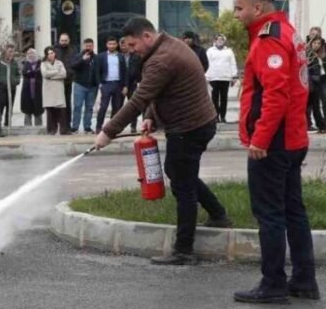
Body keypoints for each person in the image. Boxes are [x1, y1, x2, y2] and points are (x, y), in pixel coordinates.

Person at [94, 18, 230, 265]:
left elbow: (138, 99)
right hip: (194, 124)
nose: (133, 50)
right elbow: (158, 94)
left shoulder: (162, 59)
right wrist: (150, 118)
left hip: (189, 128)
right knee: (178, 172)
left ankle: (184, 250)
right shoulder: (167, 46)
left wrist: (108, 132)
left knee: (182, 185)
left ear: (147, 36)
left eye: (134, 44)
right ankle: (218, 214)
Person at [231, 0, 317, 304]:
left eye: (240, 8)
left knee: (269, 213)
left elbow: (275, 95)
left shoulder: (268, 38)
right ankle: (304, 281)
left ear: (258, 7)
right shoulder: (288, 31)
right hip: (293, 137)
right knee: (294, 210)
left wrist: (259, 138)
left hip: (274, 141)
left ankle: (273, 284)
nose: (236, 14)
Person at [93, 37, 127, 134]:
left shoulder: (120, 56)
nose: (111, 46)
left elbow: (125, 72)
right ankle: (98, 127)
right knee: (103, 107)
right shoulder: (101, 56)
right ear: (106, 45)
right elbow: (97, 71)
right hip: (106, 84)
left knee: (117, 107)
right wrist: (100, 83)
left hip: (118, 84)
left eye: (113, 44)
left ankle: (112, 127)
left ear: (116, 45)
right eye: (110, 44)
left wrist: (125, 85)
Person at [205, 34, 239, 124]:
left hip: (225, 78)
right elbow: (206, 64)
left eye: (222, 40)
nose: (220, 41)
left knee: (224, 98)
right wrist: (206, 76)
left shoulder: (229, 51)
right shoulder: (210, 51)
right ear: (215, 41)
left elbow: (233, 63)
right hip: (213, 77)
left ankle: (223, 117)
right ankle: (216, 117)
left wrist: (234, 76)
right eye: (218, 40)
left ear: (224, 41)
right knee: (214, 98)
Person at [306, 36, 326, 134]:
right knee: (309, 106)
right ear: (311, 43)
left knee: (315, 105)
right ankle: (314, 124)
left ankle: (321, 125)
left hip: (317, 82)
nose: (316, 45)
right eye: (315, 43)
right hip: (309, 82)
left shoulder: (321, 54)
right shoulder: (307, 54)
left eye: (319, 43)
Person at [69, 38, 98, 135]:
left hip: (92, 86)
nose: (88, 48)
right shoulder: (78, 56)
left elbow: (99, 71)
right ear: (83, 46)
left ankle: (87, 127)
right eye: (87, 46)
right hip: (79, 85)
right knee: (77, 106)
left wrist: (98, 83)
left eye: (90, 46)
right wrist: (82, 60)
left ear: (93, 46)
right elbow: (73, 66)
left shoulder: (96, 58)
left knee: (89, 107)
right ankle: (75, 127)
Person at [41, 47, 69, 135]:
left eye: (52, 53)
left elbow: (64, 74)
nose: (51, 55)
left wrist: (51, 76)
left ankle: (63, 130)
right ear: (46, 55)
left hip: (58, 90)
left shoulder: (60, 63)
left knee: (61, 111)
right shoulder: (43, 63)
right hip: (48, 90)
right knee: (50, 111)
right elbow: (45, 74)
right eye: (49, 53)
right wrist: (56, 71)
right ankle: (51, 130)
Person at [53, 34, 77, 131]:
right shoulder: (54, 50)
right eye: (62, 40)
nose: (64, 42)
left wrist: (71, 73)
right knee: (56, 104)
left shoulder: (73, 50)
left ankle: (67, 124)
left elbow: (74, 64)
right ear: (59, 40)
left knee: (67, 104)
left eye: (65, 40)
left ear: (69, 40)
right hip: (57, 82)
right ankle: (56, 125)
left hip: (68, 81)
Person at [122, 40, 143, 134]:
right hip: (120, 84)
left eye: (126, 45)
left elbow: (140, 69)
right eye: (122, 45)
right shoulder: (119, 56)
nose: (125, 47)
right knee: (117, 106)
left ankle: (133, 126)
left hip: (133, 84)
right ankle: (116, 127)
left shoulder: (136, 56)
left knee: (133, 106)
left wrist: (138, 80)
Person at [20, 48, 44, 126]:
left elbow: (39, 73)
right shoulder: (25, 64)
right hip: (27, 90)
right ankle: (27, 127)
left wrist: (30, 73)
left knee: (38, 109)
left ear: (36, 54)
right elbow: (25, 73)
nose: (30, 55)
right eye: (28, 53)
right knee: (27, 110)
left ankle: (39, 128)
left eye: (32, 53)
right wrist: (34, 72)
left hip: (38, 90)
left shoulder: (41, 64)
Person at [0, 44, 20, 128]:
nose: (11, 53)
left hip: (12, 88)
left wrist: (15, 81)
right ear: (5, 51)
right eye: (9, 51)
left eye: (12, 51)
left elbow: (17, 74)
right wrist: (2, 82)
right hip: (2, 88)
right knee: (1, 105)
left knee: (10, 106)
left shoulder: (14, 63)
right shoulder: (1, 62)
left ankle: (8, 123)